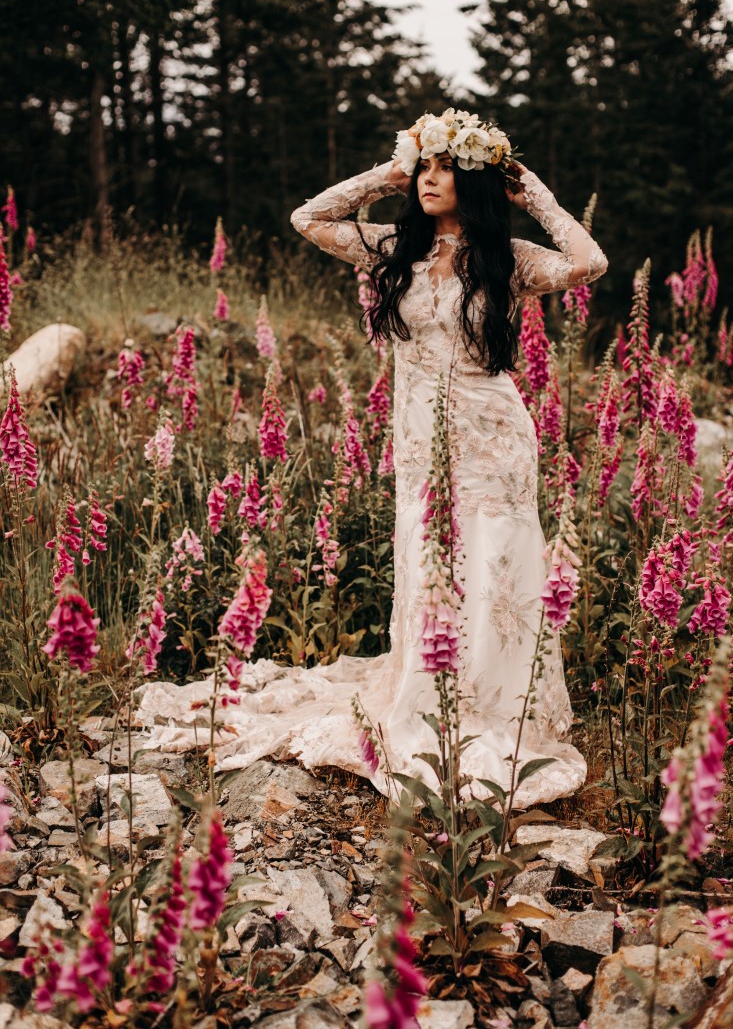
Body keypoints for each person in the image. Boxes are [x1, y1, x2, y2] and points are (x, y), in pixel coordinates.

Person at [137, 109, 607, 808]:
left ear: (476, 180)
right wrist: (388, 175)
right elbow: (307, 218)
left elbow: (589, 262)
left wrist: (530, 191)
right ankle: (429, 696)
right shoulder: (393, 247)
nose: (428, 180)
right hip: (418, 436)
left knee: (497, 570)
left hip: (494, 435)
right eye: (424, 168)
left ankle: (493, 711)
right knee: (429, 559)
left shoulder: (506, 258)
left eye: (444, 168)